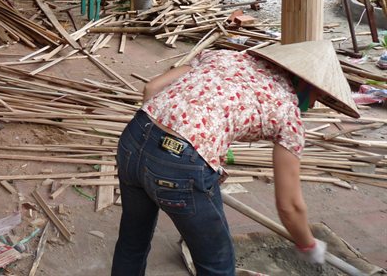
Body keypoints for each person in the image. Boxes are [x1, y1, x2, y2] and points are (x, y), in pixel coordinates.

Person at [111, 40, 360, 275]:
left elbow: (151, 88)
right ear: (308, 85)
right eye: (320, 96)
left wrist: (152, 146)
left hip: (133, 138)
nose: (315, 104)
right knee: (217, 264)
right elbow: (289, 206)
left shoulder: (224, 56)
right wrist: (309, 245)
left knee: (133, 241)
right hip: (181, 163)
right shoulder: (288, 115)